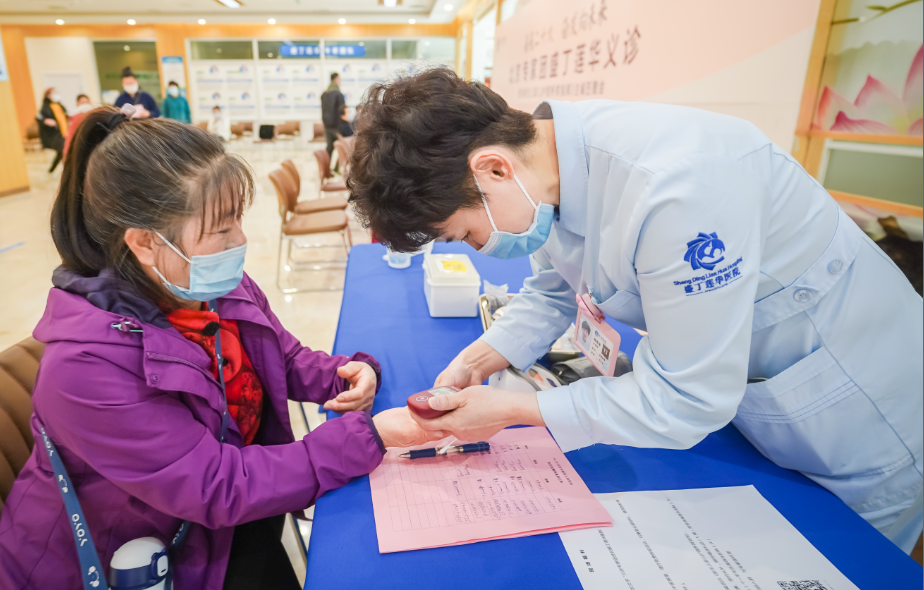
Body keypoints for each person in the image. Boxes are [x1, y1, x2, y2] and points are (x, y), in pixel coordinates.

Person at [346, 68, 924, 554]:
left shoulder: (678, 186)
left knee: (845, 560)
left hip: (859, 412)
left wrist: (516, 409)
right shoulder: (544, 164)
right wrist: (477, 360)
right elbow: (554, 288)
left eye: (466, 234)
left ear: (493, 169)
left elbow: (685, 399)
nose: (479, 248)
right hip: (754, 395)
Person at [0, 105, 445, 589]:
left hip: (229, 517)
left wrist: (343, 373)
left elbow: (282, 356)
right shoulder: (84, 369)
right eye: (221, 227)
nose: (240, 239)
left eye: (238, 218)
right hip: (147, 554)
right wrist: (367, 437)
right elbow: (214, 484)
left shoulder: (202, 282)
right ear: (145, 243)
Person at [36, 87, 67, 173]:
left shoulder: (59, 105)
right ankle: (65, 171)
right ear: (48, 95)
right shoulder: (45, 107)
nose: (56, 95)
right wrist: (45, 120)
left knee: (61, 152)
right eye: (54, 93)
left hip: (63, 132)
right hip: (54, 134)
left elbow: (66, 115)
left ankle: (52, 170)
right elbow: (38, 117)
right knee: (62, 150)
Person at [321, 72, 345, 158]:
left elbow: (323, 110)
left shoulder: (324, 94)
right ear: (336, 79)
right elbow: (342, 111)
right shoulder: (338, 94)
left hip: (327, 125)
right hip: (337, 126)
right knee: (342, 148)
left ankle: (326, 168)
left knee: (329, 148)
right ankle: (337, 169)